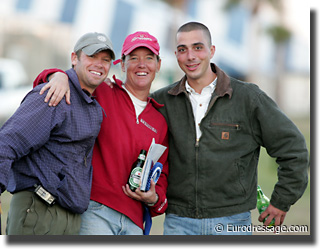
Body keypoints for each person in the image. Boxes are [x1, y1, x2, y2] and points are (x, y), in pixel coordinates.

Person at [34, 22, 309, 235]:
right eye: (182, 49)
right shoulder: (163, 101)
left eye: (198, 47)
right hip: (179, 223)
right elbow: (79, 80)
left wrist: (282, 200)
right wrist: (58, 75)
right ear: (175, 56)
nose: (190, 56)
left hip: (232, 220)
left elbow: (294, 150)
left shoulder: (248, 98)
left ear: (211, 51)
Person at [32, 31, 169, 235]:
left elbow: (162, 174)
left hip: (134, 222)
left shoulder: (159, 121)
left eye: (149, 58)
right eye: (133, 58)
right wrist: (56, 75)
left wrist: (154, 198)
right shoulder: (102, 91)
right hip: (95, 211)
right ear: (122, 65)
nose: (142, 64)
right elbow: (47, 84)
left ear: (158, 65)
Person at [0, 32, 115, 235]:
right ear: (74, 58)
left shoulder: (91, 102)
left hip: (68, 218)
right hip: (39, 211)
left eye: (105, 60)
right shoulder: (54, 95)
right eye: (92, 56)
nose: (99, 64)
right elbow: (8, 141)